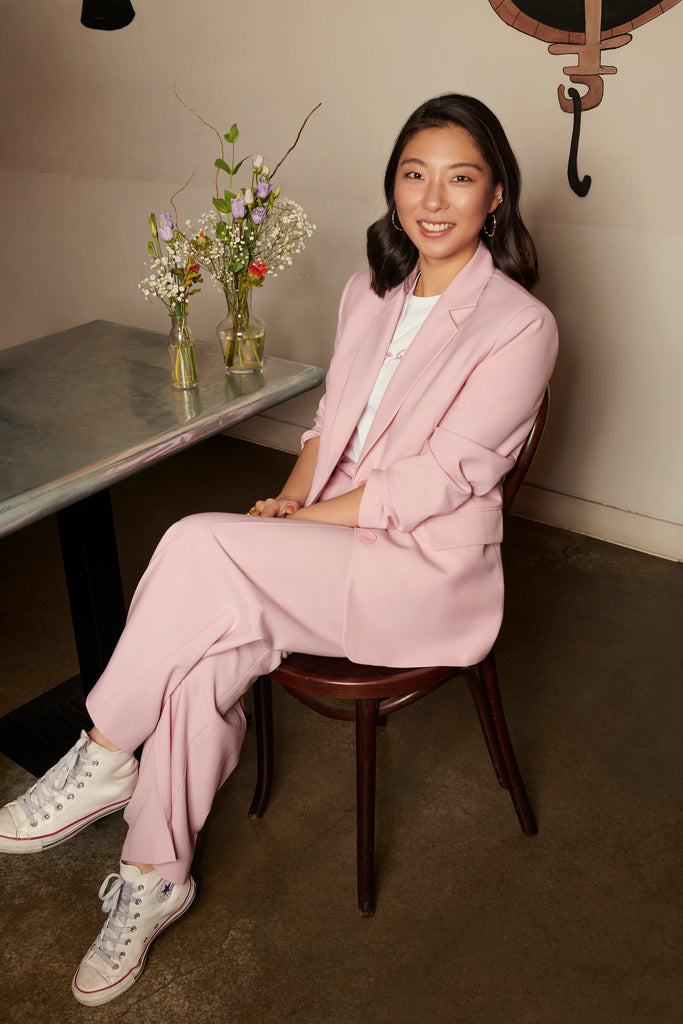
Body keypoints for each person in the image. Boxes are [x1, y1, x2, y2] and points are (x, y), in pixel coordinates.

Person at [0, 94, 558, 1006]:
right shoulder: (369, 292)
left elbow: (442, 482)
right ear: (392, 186)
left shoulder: (520, 326)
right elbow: (330, 424)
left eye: (460, 178)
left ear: (494, 197)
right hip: (330, 542)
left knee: (193, 546)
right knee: (201, 644)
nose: (433, 198)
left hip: (419, 574)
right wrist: (292, 499)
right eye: (414, 174)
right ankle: (152, 876)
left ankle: (102, 750)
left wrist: (303, 526)